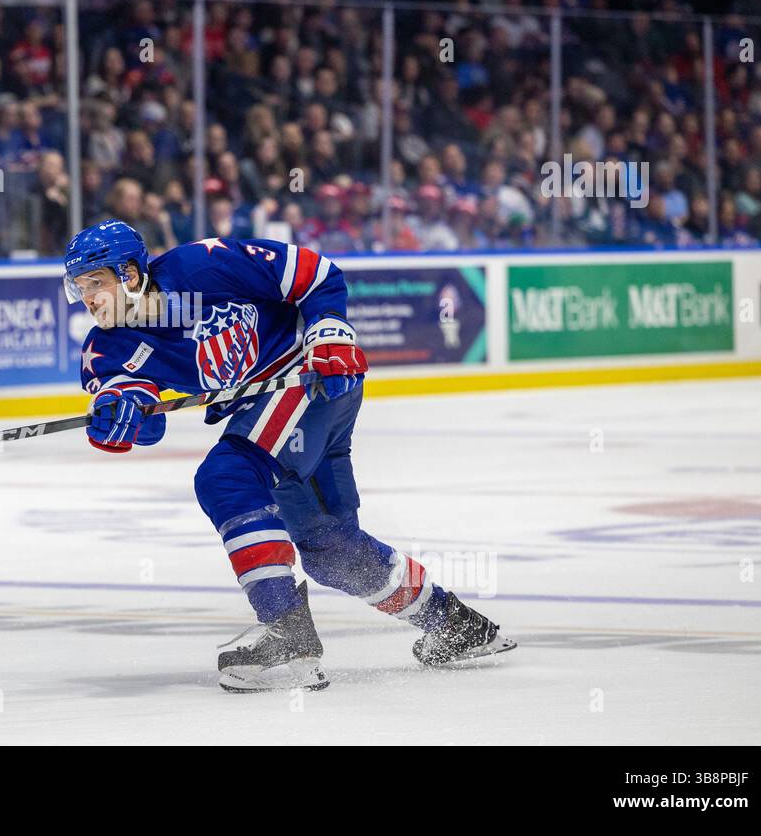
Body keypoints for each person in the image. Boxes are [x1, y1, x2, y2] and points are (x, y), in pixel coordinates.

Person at [64, 220, 515, 692]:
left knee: (227, 477)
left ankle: (288, 637)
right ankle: (458, 627)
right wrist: (122, 417)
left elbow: (317, 274)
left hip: (309, 377)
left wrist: (327, 330)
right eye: (80, 287)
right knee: (330, 548)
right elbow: (146, 420)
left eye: (96, 283)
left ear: (131, 273)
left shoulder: (203, 265)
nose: (87, 298)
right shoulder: (106, 349)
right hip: (290, 408)